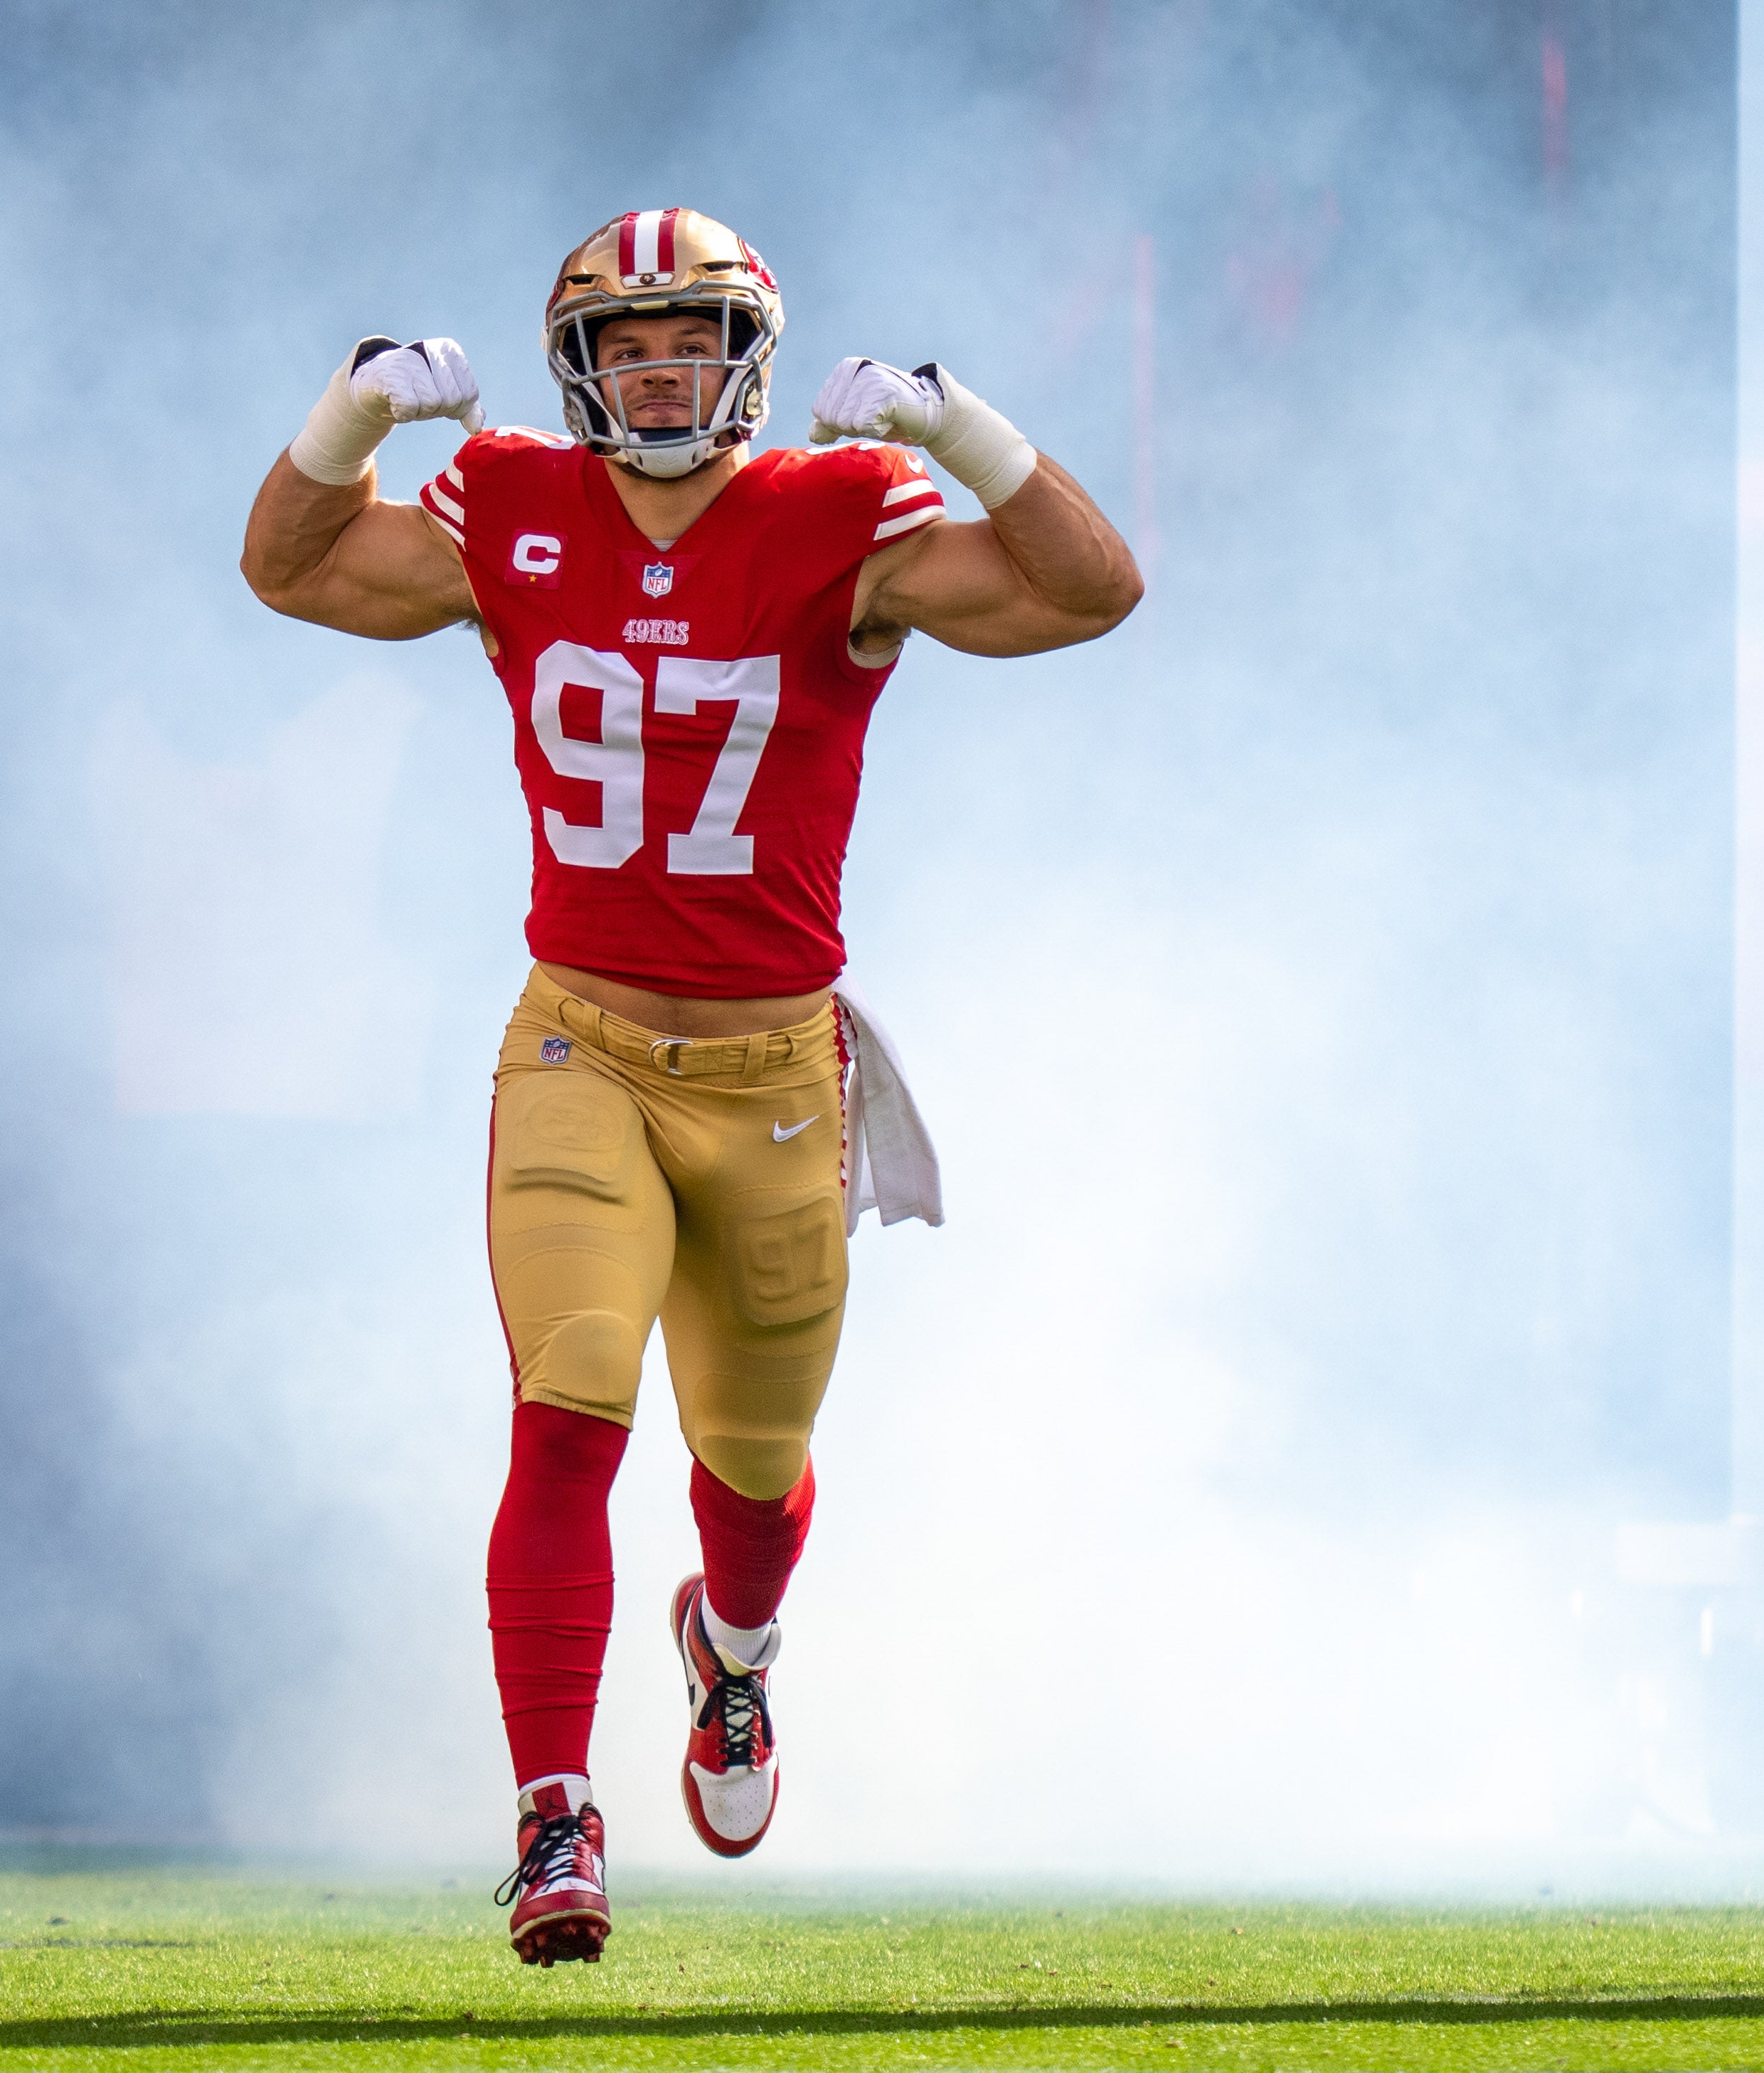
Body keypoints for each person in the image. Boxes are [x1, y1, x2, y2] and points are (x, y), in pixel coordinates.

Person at [240, 208, 1139, 1965]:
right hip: (578, 1035)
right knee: (567, 1406)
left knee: (753, 1460)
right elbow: (290, 567)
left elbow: (1088, 592)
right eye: (630, 341)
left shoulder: (837, 512)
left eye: (693, 338)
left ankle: (729, 1650)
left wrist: (962, 427)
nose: (661, 367)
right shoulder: (501, 501)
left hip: (777, 1072)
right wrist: (345, 417)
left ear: (750, 360)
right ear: (582, 367)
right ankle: (554, 1816)